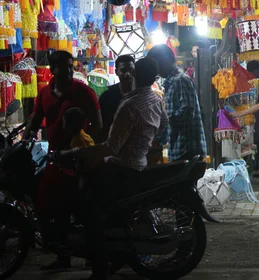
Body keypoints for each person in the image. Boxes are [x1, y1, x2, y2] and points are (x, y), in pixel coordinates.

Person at [60, 57, 168, 280]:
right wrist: (144, 141)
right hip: (139, 164)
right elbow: (164, 124)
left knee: (89, 210)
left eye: (132, 70)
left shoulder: (129, 105)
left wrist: (74, 153)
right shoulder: (154, 98)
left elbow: (111, 146)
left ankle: (99, 268)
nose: (128, 74)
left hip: (122, 169)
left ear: (136, 74)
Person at [23, 50, 102, 272]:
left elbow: (97, 123)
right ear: (51, 69)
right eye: (63, 66)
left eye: (71, 66)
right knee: (55, 210)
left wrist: (82, 145)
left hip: (78, 160)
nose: (68, 70)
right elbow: (36, 119)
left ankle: (92, 255)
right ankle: (63, 256)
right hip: (56, 159)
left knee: (81, 208)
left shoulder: (83, 91)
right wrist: (26, 138)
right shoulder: (45, 94)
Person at [148, 44, 207, 161]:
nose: (156, 70)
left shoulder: (180, 80)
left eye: (156, 64)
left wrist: (162, 121)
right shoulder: (170, 83)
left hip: (187, 151)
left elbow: (185, 113)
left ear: (165, 60)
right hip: (178, 150)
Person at [96, 55, 135, 143]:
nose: (128, 74)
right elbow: (102, 126)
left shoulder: (141, 94)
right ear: (116, 72)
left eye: (131, 70)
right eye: (123, 70)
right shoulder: (107, 96)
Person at [246, 60, 259, 172]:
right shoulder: (257, 81)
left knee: (248, 139)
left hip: (246, 112)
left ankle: (250, 165)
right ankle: (255, 166)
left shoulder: (244, 79)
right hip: (257, 113)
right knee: (256, 140)